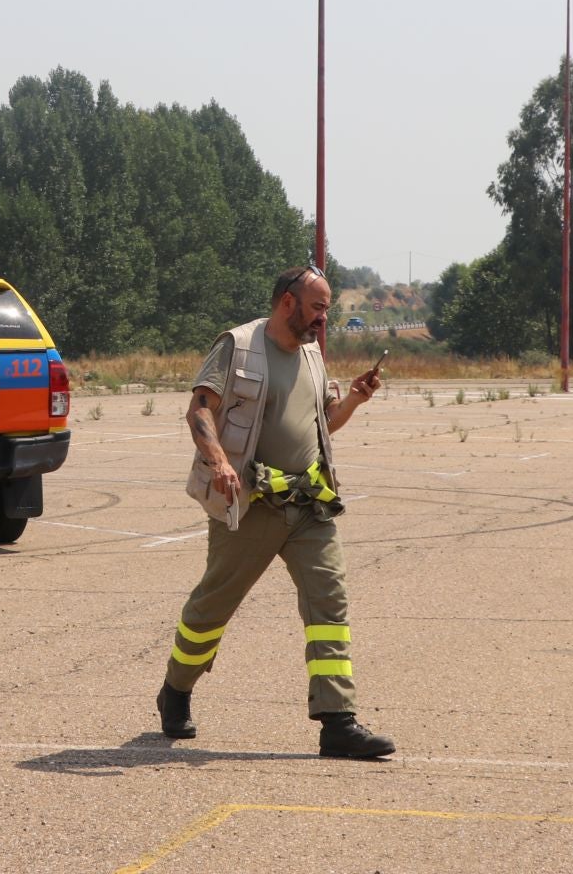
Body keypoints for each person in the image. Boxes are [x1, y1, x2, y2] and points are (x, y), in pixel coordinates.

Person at [154, 265, 394, 759]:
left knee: (329, 605)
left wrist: (353, 397)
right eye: (318, 307)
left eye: (326, 309)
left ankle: (337, 721)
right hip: (250, 503)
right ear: (288, 302)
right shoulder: (238, 346)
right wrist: (218, 462)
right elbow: (200, 409)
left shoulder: (311, 354)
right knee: (210, 609)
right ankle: (176, 690)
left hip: (308, 502)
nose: (323, 319)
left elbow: (324, 423)